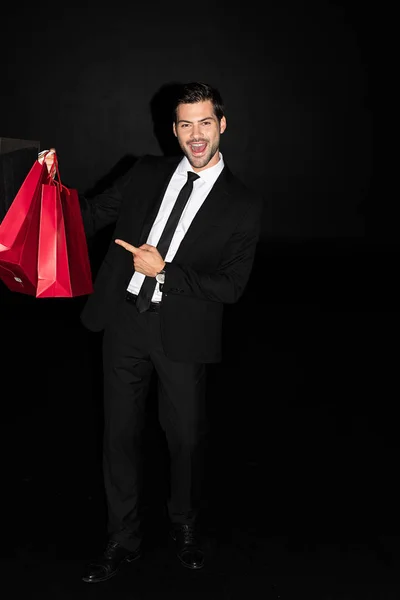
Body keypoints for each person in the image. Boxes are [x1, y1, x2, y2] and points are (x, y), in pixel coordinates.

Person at [41, 81, 263, 583]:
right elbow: (90, 214)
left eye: (205, 122)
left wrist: (164, 270)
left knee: (183, 439)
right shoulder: (145, 172)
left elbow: (231, 286)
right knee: (118, 435)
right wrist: (43, 193)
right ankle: (123, 538)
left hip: (182, 335)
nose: (196, 134)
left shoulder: (243, 204)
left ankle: (184, 525)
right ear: (175, 130)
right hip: (123, 322)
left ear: (222, 125)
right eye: (186, 124)